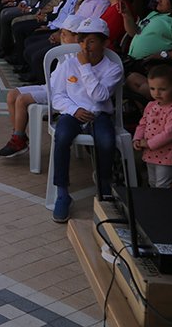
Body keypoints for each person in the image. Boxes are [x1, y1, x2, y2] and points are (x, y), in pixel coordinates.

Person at [48, 17, 123, 223]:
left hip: (99, 114)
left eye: (91, 41)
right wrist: (74, 110)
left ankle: (104, 185)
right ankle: (62, 193)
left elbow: (99, 96)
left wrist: (85, 67)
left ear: (104, 43)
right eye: (82, 41)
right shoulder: (69, 64)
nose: (85, 47)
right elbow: (57, 96)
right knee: (62, 137)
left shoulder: (112, 68)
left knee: (106, 141)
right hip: (73, 113)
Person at [0, 15, 82, 158]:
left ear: (77, 37)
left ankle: (18, 138)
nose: (62, 37)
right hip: (49, 86)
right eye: (62, 33)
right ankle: (19, 136)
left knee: (22, 100)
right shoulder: (64, 49)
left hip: (61, 93)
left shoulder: (78, 55)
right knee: (12, 95)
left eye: (65, 34)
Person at [133, 64, 172, 188]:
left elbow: (170, 133)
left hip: (167, 156)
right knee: (152, 182)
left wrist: (149, 143)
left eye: (162, 89)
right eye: (152, 88)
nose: (156, 93)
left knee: (163, 185)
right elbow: (142, 124)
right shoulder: (151, 105)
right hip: (150, 154)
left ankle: (163, 201)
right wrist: (137, 138)